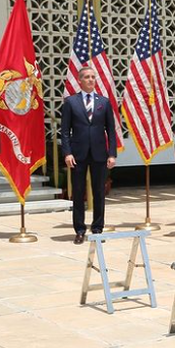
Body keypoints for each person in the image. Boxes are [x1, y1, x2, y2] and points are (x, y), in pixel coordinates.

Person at [59, 65, 117, 244]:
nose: (91, 80)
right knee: (78, 192)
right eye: (87, 77)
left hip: (99, 154)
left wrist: (112, 154)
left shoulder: (104, 102)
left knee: (99, 192)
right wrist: (67, 153)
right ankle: (79, 230)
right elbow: (65, 131)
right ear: (80, 80)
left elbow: (111, 130)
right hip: (78, 154)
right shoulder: (71, 102)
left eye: (93, 77)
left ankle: (98, 228)